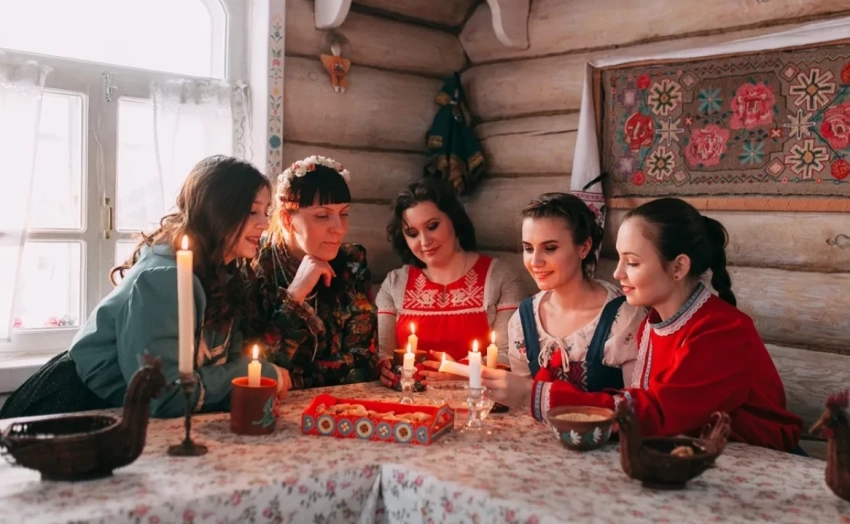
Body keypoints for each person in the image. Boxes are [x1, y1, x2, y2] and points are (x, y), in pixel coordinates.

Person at [483, 197, 803, 452]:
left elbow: (658, 412)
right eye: (620, 259)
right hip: (694, 455)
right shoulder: (655, 322)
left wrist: (535, 394)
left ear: (679, 267)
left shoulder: (722, 331)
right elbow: (639, 402)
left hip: (759, 462)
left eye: (633, 262)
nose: (617, 273)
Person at [0, 155, 287, 419]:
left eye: (266, 212)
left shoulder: (226, 275)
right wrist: (258, 372)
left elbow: (225, 365)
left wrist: (247, 388)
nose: (264, 224)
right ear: (217, 213)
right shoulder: (165, 279)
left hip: (128, 415)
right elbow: (164, 395)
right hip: (76, 407)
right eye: (252, 212)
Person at [375, 178, 524, 387]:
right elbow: (383, 353)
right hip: (410, 401)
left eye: (432, 226)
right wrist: (385, 369)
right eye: (412, 234)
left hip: (478, 400)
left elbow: (509, 356)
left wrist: (461, 372)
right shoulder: (394, 284)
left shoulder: (501, 277)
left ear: (454, 220)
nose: (424, 241)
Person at [247, 155, 378, 389]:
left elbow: (364, 360)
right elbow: (256, 368)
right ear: (287, 219)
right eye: (322, 216)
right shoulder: (255, 265)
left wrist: (294, 378)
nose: (339, 229)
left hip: (339, 404)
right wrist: (295, 295)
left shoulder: (352, 262)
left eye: (344, 213)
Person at [507, 193, 644, 392]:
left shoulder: (625, 318)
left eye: (550, 248)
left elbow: (638, 404)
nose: (535, 262)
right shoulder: (523, 319)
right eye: (528, 248)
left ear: (584, 248)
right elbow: (521, 399)